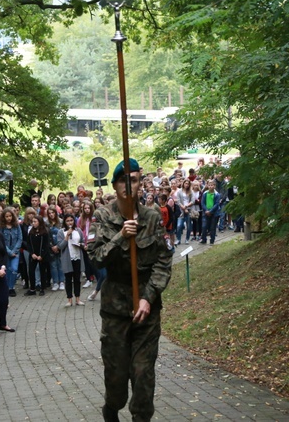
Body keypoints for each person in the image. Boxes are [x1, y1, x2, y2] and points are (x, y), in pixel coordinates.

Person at [87, 159, 173, 422]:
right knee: (116, 378)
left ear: (140, 183)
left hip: (146, 310)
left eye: (133, 179)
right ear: (114, 184)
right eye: (123, 179)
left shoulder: (152, 216)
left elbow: (163, 261)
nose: (128, 185)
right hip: (115, 310)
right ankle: (111, 409)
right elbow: (96, 259)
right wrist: (120, 236)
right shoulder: (102, 216)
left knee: (143, 374)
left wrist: (148, 298)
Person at [58, 214, 85, 307]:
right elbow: (60, 246)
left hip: (77, 257)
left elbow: (83, 241)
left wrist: (80, 244)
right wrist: (67, 237)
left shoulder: (78, 231)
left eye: (71, 220)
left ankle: (78, 299)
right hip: (67, 258)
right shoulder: (61, 232)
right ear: (65, 222)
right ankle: (69, 299)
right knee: (68, 279)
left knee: (77, 279)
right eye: (68, 221)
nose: (70, 222)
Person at [0, 207, 22, 297]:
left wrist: (15, 250)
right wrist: (9, 252)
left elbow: (20, 238)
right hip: (6, 252)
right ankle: (7, 287)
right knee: (7, 269)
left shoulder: (16, 225)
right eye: (7, 216)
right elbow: (1, 240)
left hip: (15, 251)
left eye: (10, 216)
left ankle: (12, 287)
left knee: (14, 269)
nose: (9, 218)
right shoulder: (1, 227)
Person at [26, 215, 51, 296]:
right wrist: (32, 253)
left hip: (42, 255)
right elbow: (28, 244)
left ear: (39, 222)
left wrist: (41, 255)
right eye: (32, 222)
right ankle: (32, 288)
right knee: (31, 271)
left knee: (42, 271)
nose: (33, 223)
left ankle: (42, 288)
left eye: (35, 222)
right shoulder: (31, 232)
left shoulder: (44, 233)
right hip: (33, 255)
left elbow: (46, 245)